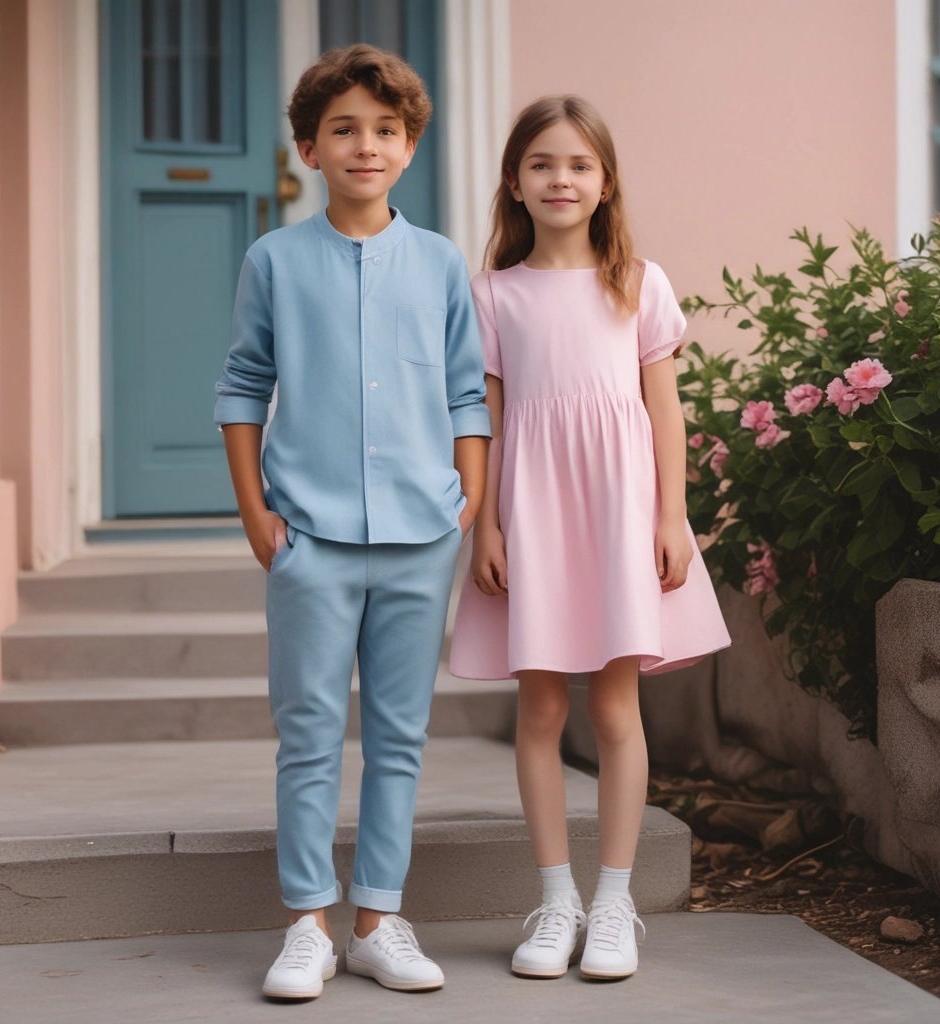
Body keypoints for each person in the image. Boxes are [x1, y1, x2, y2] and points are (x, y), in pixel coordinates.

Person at [214, 44, 490, 1000]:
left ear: (409, 147)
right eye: (344, 130)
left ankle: (378, 921)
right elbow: (243, 386)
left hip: (422, 536)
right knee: (309, 734)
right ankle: (306, 924)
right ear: (309, 149)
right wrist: (256, 514)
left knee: (400, 737)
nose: (365, 146)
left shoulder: (441, 263)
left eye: (385, 130)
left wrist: (465, 501)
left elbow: (467, 393)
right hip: (310, 539)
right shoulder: (273, 261)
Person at [449, 95, 730, 982]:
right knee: (539, 713)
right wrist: (486, 525)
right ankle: (556, 899)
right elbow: (487, 421)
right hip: (531, 514)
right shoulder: (493, 294)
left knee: (614, 711)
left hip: (618, 515)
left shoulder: (639, 283)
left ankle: (613, 902)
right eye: (542, 164)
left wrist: (671, 516)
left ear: (605, 182)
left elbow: (664, 412)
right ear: (514, 182)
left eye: (578, 164)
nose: (560, 179)